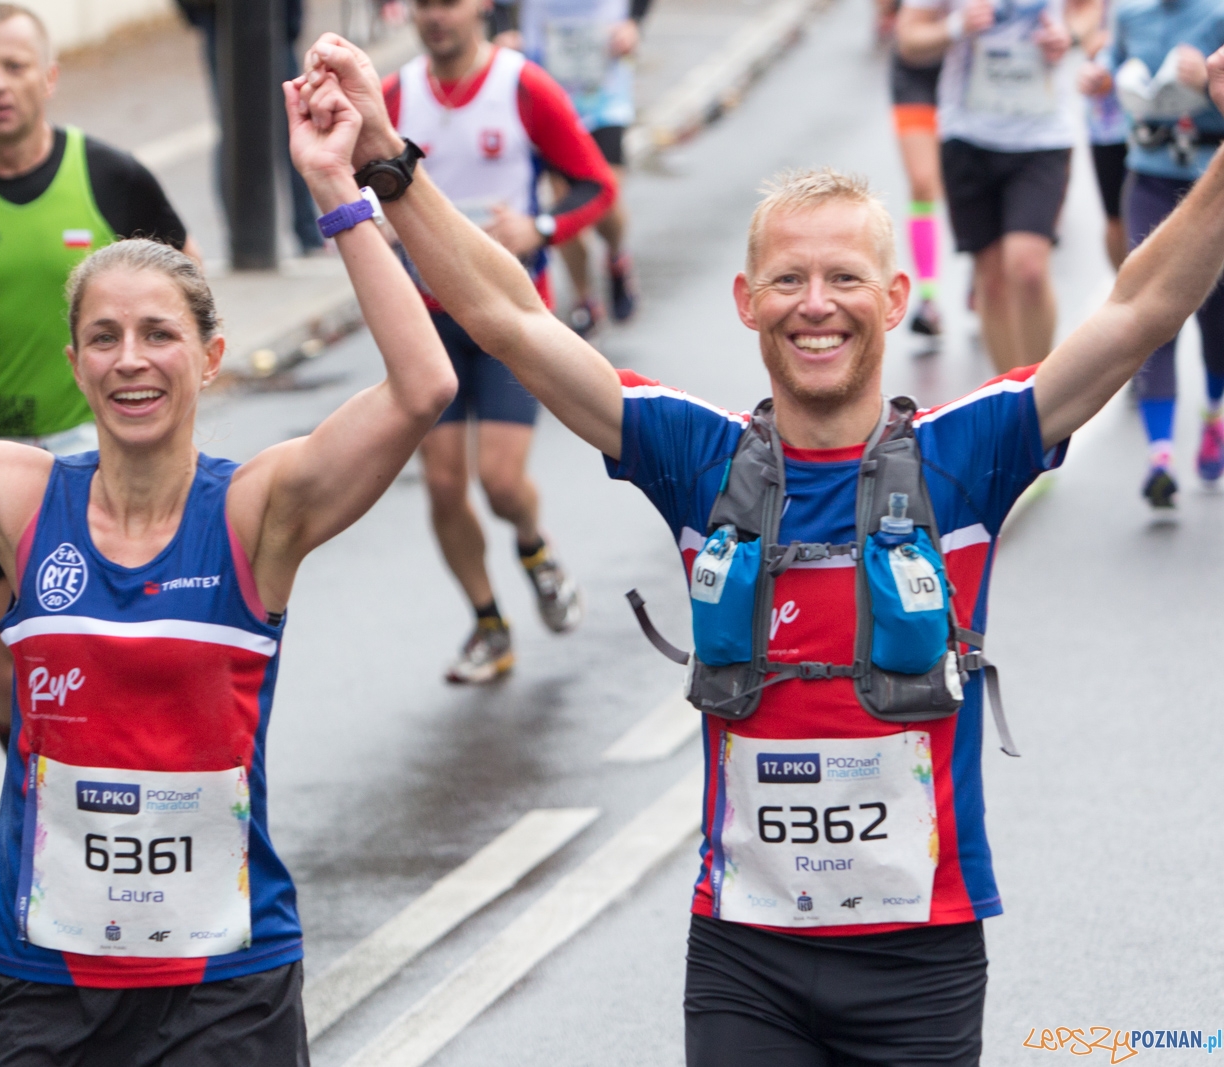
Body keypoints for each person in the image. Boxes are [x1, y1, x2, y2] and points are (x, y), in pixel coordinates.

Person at [299, 33, 1224, 1063]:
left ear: (893, 298)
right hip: (745, 957)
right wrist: (388, 160)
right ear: (747, 304)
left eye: (842, 277)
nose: (814, 304)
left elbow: (1142, 308)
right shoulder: (698, 457)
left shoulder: (969, 451)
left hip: (920, 955)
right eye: (786, 279)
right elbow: (507, 316)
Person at [0, 75, 455, 1064]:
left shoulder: (255, 512)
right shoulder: (22, 500)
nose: (130, 360)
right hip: (44, 982)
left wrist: (337, 183)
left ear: (209, 357)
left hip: (222, 985)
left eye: (159, 334)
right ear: (75, 363)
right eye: (105, 337)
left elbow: (424, 385)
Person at [0, 3, 200, 747]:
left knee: (95, 655)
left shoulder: (110, 178)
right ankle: (35, 813)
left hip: (85, 455)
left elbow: (189, 285)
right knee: (11, 673)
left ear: (48, 78)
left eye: (15, 66)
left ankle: (105, 795)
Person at [387, 0, 614, 683]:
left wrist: (538, 229)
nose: (436, 18)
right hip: (427, 319)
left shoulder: (522, 85)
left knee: (502, 481)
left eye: (449, 3)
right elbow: (351, 193)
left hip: (511, 316)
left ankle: (534, 549)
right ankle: (488, 623)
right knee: (445, 484)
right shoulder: (394, 94)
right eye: (424, 5)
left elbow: (595, 185)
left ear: (482, 5)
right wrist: (377, 222)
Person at [897, 0, 1093, 372]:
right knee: (993, 280)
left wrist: (1071, 35)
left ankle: (1040, 395)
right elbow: (909, 38)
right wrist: (956, 25)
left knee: (1029, 267)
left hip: (1042, 135)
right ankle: (1009, 400)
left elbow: (1089, 9)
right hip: (968, 136)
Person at [1083, 0, 1224, 508]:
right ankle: (1160, 456)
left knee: (1216, 320)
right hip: (1150, 174)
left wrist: (1207, 80)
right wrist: (1101, 78)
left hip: (1211, 175)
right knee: (1151, 312)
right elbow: (1115, 68)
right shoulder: (1129, 13)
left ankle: (1213, 415)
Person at [492, 0, 647, 333]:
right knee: (566, 200)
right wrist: (502, 31)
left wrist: (634, 22)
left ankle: (617, 256)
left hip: (603, 88)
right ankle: (584, 299)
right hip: (546, 85)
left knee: (605, 194)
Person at [175, 0, 327, 254]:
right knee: (252, 129)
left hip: (253, 22)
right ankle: (249, 238)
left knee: (286, 124)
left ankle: (304, 231)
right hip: (226, 23)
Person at [879, 0, 946, 338]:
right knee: (923, 181)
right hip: (915, 71)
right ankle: (928, 298)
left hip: (974, 73)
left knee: (964, 183)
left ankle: (983, 277)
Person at [1072, 0, 1130, 273]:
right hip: (1108, 124)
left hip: (1165, 121)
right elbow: (1083, 36)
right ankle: (1123, 291)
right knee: (1116, 219)